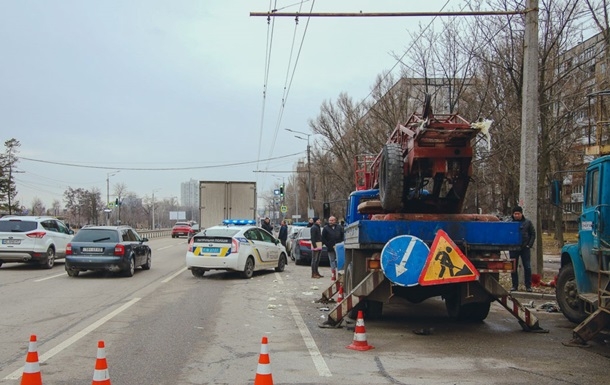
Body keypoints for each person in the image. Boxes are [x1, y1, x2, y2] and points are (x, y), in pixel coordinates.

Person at [510, 206, 536, 292]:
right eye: (515, 214)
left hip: (525, 248)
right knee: (513, 267)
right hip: (513, 248)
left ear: (521, 213)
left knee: (527, 267)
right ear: (513, 214)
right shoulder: (510, 223)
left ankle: (528, 286)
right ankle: (514, 285)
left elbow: (533, 234)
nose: (517, 215)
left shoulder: (527, 222)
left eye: (518, 213)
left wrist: (529, 245)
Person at [321, 216, 344, 280]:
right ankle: (333, 274)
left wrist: (341, 243)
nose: (331, 222)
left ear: (335, 221)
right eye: (330, 220)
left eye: (332, 220)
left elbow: (342, 235)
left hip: (339, 247)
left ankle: (340, 273)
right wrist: (328, 245)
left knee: (340, 260)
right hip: (330, 247)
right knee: (332, 260)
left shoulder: (339, 227)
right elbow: (323, 238)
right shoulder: (326, 228)